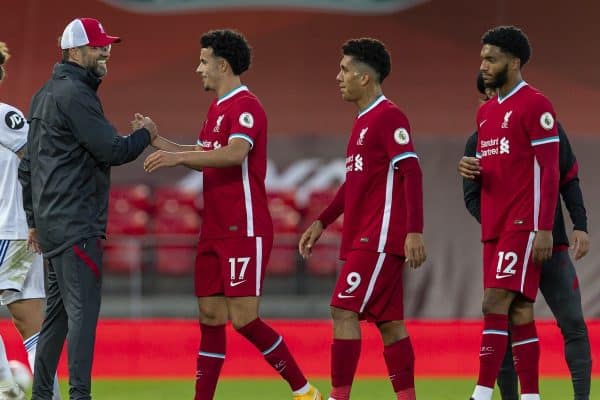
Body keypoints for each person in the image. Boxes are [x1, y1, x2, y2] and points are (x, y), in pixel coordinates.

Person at [142, 29, 321, 400]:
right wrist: (161, 142)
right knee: (209, 316)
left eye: (203, 62)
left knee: (244, 319)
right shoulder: (217, 109)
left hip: (245, 227)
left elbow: (234, 154)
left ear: (222, 65)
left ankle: (304, 391)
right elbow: (206, 155)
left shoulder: (246, 106)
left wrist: (177, 156)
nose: (198, 69)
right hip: (214, 228)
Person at [18, 18, 158, 400]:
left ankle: (42, 394)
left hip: (52, 225)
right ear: (75, 52)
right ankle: (80, 395)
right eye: (98, 46)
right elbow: (112, 149)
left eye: (106, 45)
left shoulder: (44, 94)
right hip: (77, 223)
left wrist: (34, 221)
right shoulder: (77, 95)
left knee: (57, 318)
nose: (106, 50)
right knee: (82, 314)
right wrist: (146, 133)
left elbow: (27, 166)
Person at [298, 38, 426, 400]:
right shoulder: (362, 122)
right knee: (390, 324)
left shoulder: (389, 116)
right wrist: (322, 221)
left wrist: (414, 232)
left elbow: (411, 172)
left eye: (343, 69)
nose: (338, 76)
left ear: (364, 77)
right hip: (366, 236)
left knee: (342, 309)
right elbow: (353, 184)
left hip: (380, 237)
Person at [459, 73, 591, 400]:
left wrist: (580, 224)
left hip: (550, 244)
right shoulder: (475, 145)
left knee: (573, 322)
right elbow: (472, 199)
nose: (492, 101)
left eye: (495, 93)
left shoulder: (545, 126)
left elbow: (567, 178)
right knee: (504, 320)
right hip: (510, 245)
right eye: (485, 97)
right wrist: (505, 231)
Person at [465, 26, 561, 400]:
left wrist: (545, 228)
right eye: (482, 58)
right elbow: (501, 164)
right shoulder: (486, 112)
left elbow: (549, 170)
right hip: (494, 223)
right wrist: (473, 168)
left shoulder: (536, 105)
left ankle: (481, 393)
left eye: (492, 58)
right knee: (519, 309)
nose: (483, 65)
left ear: (515, 61)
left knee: (493, 302)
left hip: (522, 223)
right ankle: (532, 396)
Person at [0, 41, 61, 400]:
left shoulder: (7, 116)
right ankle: (11, 390)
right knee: (31, 325)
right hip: (15, 233)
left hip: (12, 231)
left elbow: (39, 162)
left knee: (31, 323)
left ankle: (15, 390)